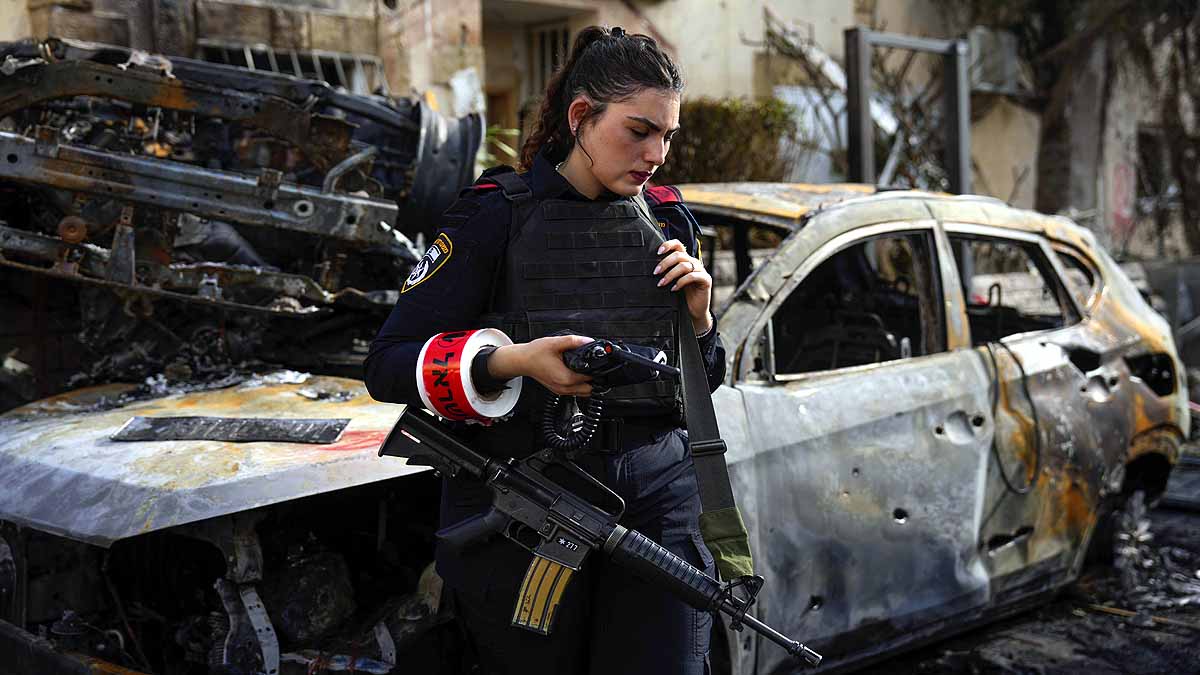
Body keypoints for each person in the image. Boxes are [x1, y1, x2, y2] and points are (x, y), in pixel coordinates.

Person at [365, 26, 727, 674]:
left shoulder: (669, 220)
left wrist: (699, 321)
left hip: (656, 504)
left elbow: (703, 384)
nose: (657, 154)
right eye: (639, 130)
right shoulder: (493, 215)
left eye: (667, 135)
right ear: (581, 116)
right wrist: (513, 361)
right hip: (528, 499)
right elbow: (388, 362)